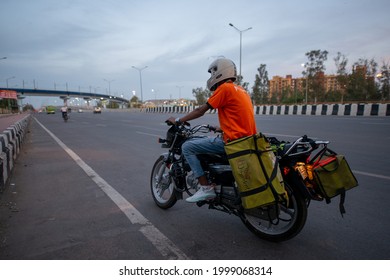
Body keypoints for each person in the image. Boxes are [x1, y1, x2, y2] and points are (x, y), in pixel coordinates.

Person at [167, 58, 257, 203]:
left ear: (219, 71)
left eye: (212, 72)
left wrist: (178, 120)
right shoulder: (241, 90)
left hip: (232, 142)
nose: (211, 77)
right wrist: (222, 128)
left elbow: (200, 111)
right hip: (246, 140)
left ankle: (206, 188)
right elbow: (240, 118)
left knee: (188, 146)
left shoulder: (224, 89)